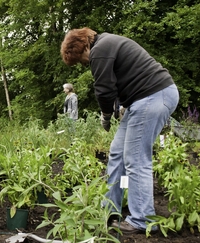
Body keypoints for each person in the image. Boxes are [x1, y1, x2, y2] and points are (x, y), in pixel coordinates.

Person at [61, 27, 179, 234]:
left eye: (81, 59)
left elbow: (105, 90)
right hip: (141, 101)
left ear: (84, 46)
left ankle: (141, 219)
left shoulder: (100, 49)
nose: (84, 63)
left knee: (136, 159)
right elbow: (119, 83)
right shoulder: (107, 44)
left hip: (153, 96)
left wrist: (106, 116)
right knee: (117, 153)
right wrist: (121, 107)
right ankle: (110, 209)